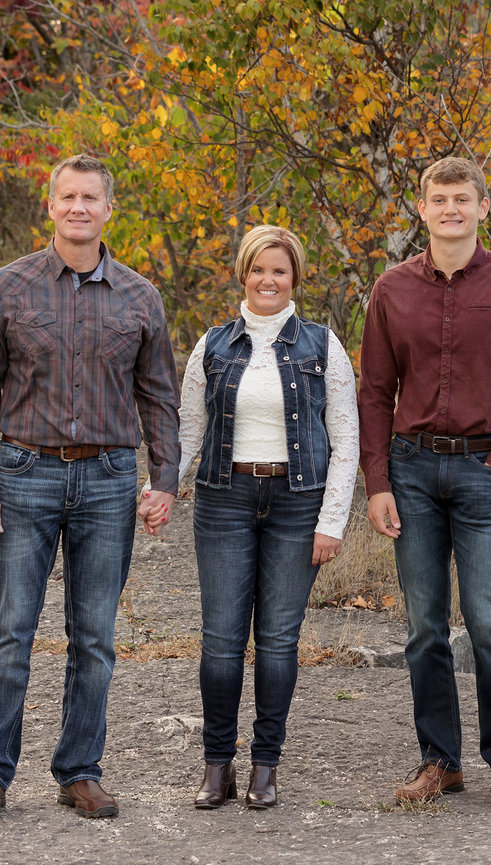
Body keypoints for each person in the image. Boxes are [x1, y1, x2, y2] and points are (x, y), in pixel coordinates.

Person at [0, 153, 180, 819]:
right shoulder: (7, 287)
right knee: (11, 628)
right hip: (24, 472)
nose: (79, 207)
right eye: (67, 197)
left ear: (110, 209)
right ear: (49, 205)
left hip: (109, 479)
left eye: (91, 198)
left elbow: (159, 397)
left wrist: (163, 478)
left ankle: (79, 768)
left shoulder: (140, 296)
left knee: (95, 636)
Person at [358, 156, 491, 806]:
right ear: (422, 208)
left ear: (481, 207)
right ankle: (439, 759)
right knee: (423, 623)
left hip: (483, 470)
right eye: (439, 199)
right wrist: (379, 479)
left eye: (461, 199)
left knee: (489, 618)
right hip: (411, 470)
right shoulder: (392, 289)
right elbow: (375, 392)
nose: (450, 209)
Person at [160, 225, 358, 810]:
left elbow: (345, 437)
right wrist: (161, 487)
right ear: (243, 275)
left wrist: (332, 521)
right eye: (258, 270)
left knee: (276, 641)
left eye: (279, 271)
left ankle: (265, 766)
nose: (267, 280)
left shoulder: (324, 345)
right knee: (221, 640)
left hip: (298, 504)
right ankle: (216, 765)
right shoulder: (212, 346)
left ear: (295, 278)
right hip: (224, 500)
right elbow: (187, 427)